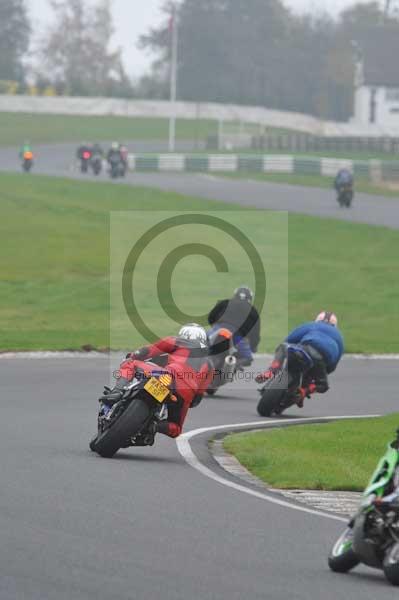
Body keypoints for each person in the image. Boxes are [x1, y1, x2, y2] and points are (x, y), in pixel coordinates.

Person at [121, 324, 214, 442]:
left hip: (168, 376)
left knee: (130, 363)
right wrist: (186, 401)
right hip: (186, 392)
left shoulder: (177, 341)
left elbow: (148, 351)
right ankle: (154, 426)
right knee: (176, 429)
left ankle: (117, 391)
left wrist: (133, 355)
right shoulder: (210, 364)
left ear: (183, 334)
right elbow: (197, 399)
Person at [256, 311, 344, 406]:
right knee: (323, 385)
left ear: (317, 320)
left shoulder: (311, 325)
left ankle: (272, 370)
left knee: (283, 346)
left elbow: (289, 339)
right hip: (321, 361)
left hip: (305, 349)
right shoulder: (339, 336)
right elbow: (332, 366)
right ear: (335, 325)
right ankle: (304, 391)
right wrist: (322, 372)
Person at [208, 286, 260, 366]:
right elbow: (254, 334)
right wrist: (253, 347)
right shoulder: (252, 310)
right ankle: (233, 365)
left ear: (235, 295)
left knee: (201, 345)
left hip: (218, 329)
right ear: (250, 299)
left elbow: (211, 317)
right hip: (237, 335)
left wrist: (214, 326)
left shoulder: (225, 302)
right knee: (248, 358)